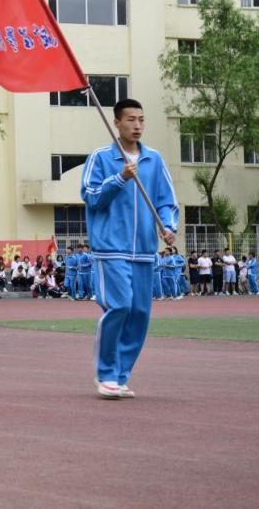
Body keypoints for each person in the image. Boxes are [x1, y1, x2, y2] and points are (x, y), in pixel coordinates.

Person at [81, 98, 179, 399]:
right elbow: (91, 196)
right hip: (111, 248)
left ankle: (120, 376)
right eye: (131, 119)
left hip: (145, 250)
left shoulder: (154, 159)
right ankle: (106, 373)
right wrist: (119, 178)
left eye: (141, 120)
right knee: (120, 306)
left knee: (139, 314)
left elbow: (166, 200)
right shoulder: (101, 158)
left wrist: (168, 226)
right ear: (117, 123)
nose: (137, 125)